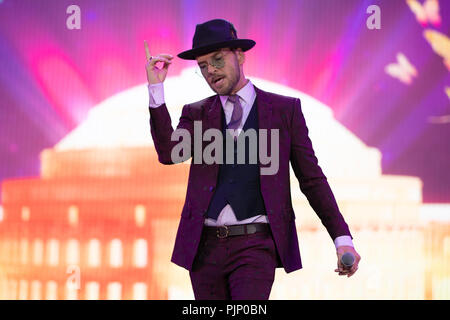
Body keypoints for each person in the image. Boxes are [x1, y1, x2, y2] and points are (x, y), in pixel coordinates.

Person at [144, 18, 360, 300]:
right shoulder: (196, 113)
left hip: (256, 245)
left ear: (240, 55)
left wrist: (341, 238)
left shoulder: (285, 111)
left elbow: (311, 179)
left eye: (218, 59)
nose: (211, 71)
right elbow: (169, 154)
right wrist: (156, 91)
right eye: (203, 66)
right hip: (204, 248)